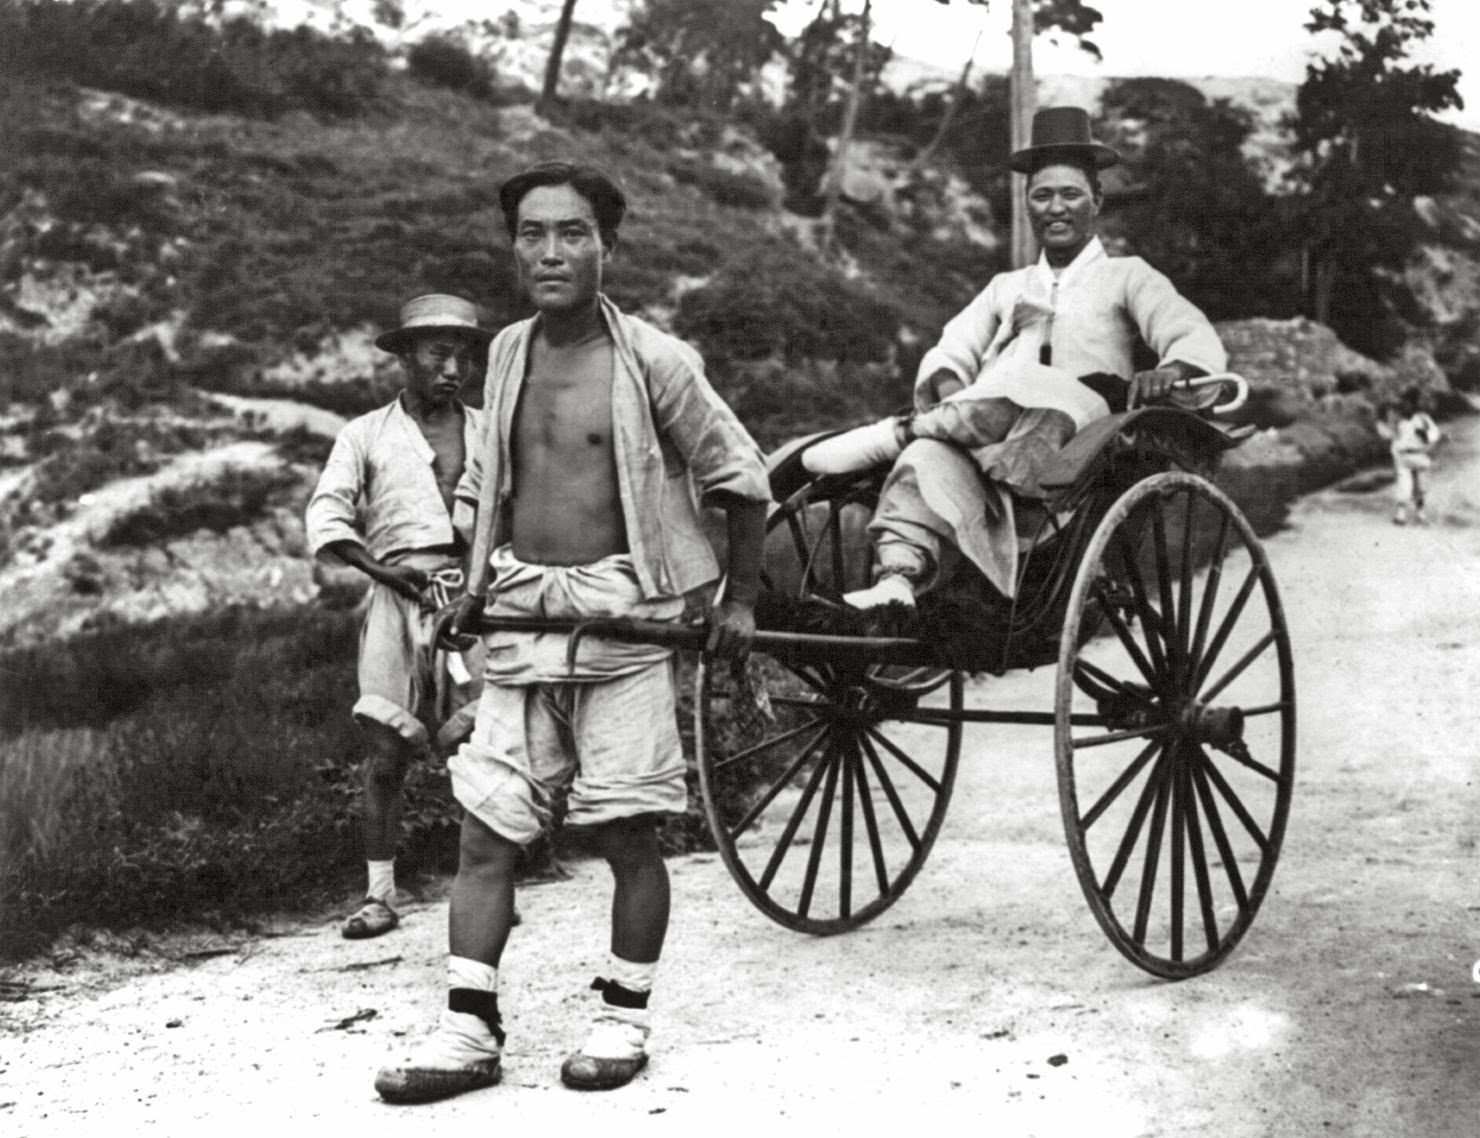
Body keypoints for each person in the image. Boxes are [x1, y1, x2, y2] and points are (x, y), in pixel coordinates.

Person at [373, 161, 770, 1103]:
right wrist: (470, 584)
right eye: (532, 234)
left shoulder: (657, 361)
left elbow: (741, 481)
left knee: (626, 834)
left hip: (626, 618)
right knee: (484, 832)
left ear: (608, 247)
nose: (550, 252)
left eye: (573, 233)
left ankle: (622, 1018)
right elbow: (488, 489)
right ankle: (468, 1031)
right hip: (521, 616)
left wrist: (741, 602)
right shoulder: (506, 351)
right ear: (514, 247)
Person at [802, 106, 1228, 607]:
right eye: (1042, 195)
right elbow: (953, 349)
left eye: (1070, 194)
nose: (1056, 208)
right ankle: (898, 581)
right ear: (1027, 205)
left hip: (1076, 438)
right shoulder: (1006, 287)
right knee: (927, 458)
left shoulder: (1128, 276)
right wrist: (948, 387)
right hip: (991, 443)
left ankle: (899, 432)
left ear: (1096, 200)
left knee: (1036, 391)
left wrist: (1171, 371)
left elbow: (1188, 332)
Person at [305, 293, 490, 939]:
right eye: (439, 352)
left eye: (463, 355)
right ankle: (380, 895)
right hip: (395, 597)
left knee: (481, 746)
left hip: (473, 602)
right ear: (406, 356)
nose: (453, 367)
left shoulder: (487, 429)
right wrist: (385, 571)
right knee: (385, 754)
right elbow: (328, 514)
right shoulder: (365, 434)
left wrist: (484, 581)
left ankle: (486, 890)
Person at [1377, 387, 1441, 525]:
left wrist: (1426, 435)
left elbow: (1435, 433)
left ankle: (1420, 513)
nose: (1408, 405)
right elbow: (1388, 434)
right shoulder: (1397, 418)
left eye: (1411, 402)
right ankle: (1401, 514)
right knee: (1404, 485)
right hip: (1403, 457)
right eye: (1406, 401)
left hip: (1419, 455)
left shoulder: (1423, 419)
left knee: (1422, 485)